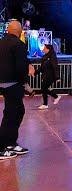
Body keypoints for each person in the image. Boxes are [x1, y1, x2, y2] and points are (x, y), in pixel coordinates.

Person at [0, 20, 33, 159]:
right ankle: (3, 147)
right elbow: (20, 67)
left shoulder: (1, 43)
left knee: (13, 112)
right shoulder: (19, 45)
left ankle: (10, 143)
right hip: (12, 84)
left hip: (2, 83)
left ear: (8, 30)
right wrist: (26, 84)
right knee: (13, 114)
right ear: (19, 32)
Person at [35, 43, 61, 110]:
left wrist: (57, 77)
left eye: (44, 48)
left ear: (48, 49)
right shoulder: (45, 57)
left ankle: (47, 102)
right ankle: (52, 99)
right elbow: (42, 67)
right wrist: (35, 73)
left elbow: (55, 67)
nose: (43, 49)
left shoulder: (52, 57)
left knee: (44, 89)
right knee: (44, 89)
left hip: (50, 76)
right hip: (45, 75)